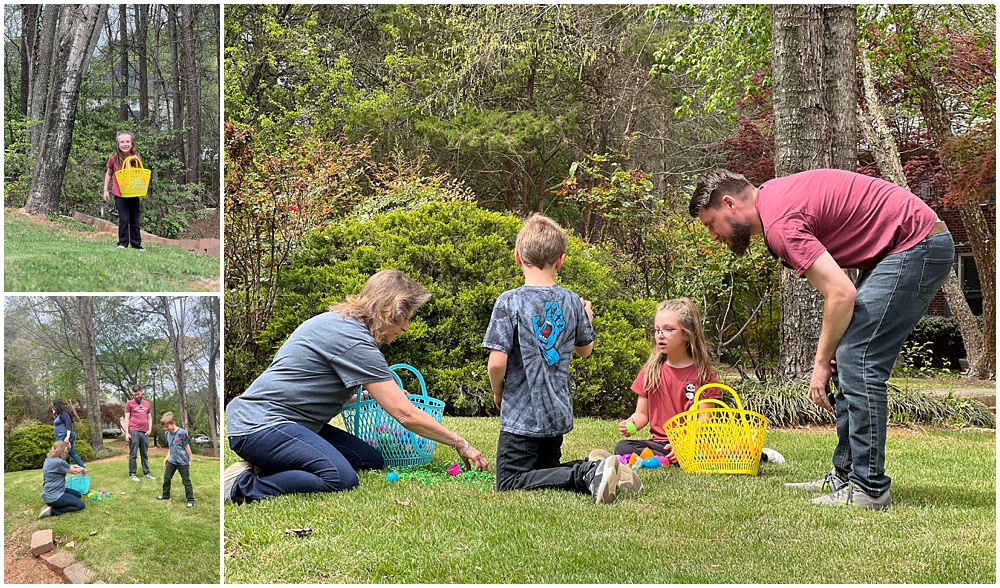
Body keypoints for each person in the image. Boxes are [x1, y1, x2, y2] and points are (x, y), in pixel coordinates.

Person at [690, 168, 954, 510]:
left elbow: (840, 293)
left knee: (858, 360)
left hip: (915, 246)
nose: (713, 235)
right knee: (849, 356)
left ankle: (869, 488)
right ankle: (846, 475)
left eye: (712, 224)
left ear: (729, 204)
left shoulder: (780, 221)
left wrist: (818, 365)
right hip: (904, 247)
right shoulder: (774, 200)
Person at [224, 269, 489, 504]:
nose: (406, 328)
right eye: (405, 317)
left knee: (368, 459)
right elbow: (404, 414)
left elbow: (314, 390)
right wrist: (459, 442)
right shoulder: (353, 339)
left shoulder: (340, 323)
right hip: (261, 425)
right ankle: (239, 487)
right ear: (389, 310)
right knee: (338, 477)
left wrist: (374, 396)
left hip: (291, 424)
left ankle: (268, 463)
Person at [483, 214, 637, 505]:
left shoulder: (509, 301)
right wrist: (586, 318)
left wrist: (498, 393)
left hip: (521, 416)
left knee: (509, 481)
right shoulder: (571, 300)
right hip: (557, 411)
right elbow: (585, 350)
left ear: (518, 257)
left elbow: (496, 363)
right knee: (544, 472)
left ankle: (586, 472)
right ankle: (604, 469)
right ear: (561, 260)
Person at [609, 298, 784, 466]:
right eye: (656, 330)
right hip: (661, 444)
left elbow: (704, 419)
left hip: (695, 442)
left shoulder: (702, 373)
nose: (660, 335)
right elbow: (642, 415)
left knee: (712, 451)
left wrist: (685, 446)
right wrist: (631, 422)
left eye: (669, 329)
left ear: (686, 334)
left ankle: (756, 453)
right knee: (623, 447)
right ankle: (671, 458)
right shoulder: (650, 371)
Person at [103, 130, 144, 251]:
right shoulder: (113, 158)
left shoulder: (136, 158)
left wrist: (134, 160)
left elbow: (136, 174)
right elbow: (109, 174)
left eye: (127, 141)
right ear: (117, 144)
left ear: (132, 144)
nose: (125, 144)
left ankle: (136, 244)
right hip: (119, 193)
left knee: (135, 219)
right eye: (122, 142)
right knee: (124, 219)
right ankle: (123, 242)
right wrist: (105, 190)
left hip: (133, 192)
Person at [38, 441, 86, 519]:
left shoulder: (48, 459)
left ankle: (52, 504)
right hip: (54, 496)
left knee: (78, 495)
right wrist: (83, 469)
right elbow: (75, 471)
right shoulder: (59, 462)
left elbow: (64, 467)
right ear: (62, 450)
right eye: (66, 451)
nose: (66, 454)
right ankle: (52, 511)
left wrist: (74, 466)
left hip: (50, 492)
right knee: (80, 505)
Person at [156, 412, 195, 508]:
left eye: (167, 426)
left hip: (182, 461)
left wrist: (190, 460)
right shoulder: (167, 433)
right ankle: (166, 495)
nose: (165, 429)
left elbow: (187, 447)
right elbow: (171, 447)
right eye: (164, 427)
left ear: (173, 423)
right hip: (172, 460)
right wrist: (167, 457)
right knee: (167, 478)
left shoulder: (181, 433)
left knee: (186, 481)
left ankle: (190, 500)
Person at [124, 384, 155, 481]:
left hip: (144, 432)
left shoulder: (147, 404)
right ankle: (132, 473)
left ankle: (147, 473)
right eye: (135, 395)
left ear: (141, 392)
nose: (136, 396)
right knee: (133, 454)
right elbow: (127, 418)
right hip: (133, 431)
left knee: (144, 454)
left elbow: (149, 418)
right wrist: (127, 433)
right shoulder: (129, 404)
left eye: (138, 394)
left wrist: (149, 430)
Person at [51, 399, 85, 470]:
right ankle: (82, 467)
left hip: (64, 436)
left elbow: (68, 425)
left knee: (61, 453)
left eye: (53, 407)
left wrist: (67, 436)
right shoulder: (59, 415)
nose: (52, 408)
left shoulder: (64, 414)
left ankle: (63, 470)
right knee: (71, 452)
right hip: (63, 436)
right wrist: (54, 413)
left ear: (57, 406)